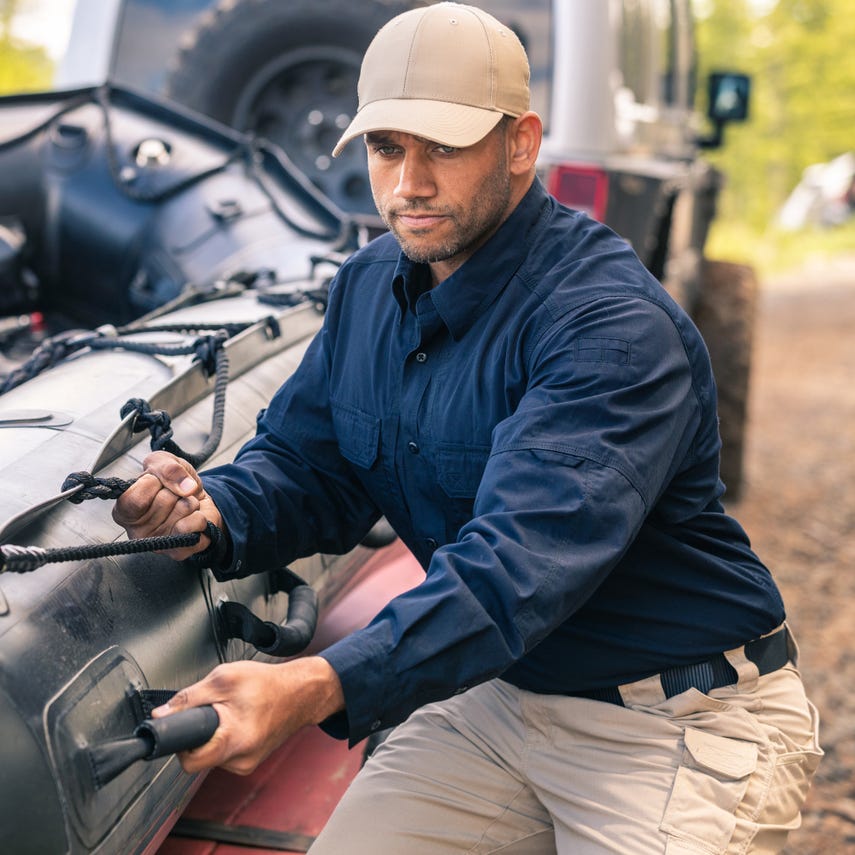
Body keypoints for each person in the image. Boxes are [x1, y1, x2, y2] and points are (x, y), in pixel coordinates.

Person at [113, 4, 822, 852]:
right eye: (386, 148)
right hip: (498, 698)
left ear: (520, 143)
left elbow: (515, 570)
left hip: (673, 718)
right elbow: (312, 464)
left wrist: (314, 683)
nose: (407, 183)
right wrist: (213, 510)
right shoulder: (368, 287)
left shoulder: (606, 325)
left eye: (441, 148)